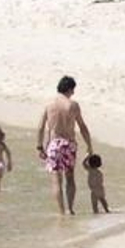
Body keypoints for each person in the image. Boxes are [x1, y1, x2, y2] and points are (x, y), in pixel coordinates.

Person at [36, 76, 94, 215]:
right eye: (73, 90)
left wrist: (39, 147)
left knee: (56, 180)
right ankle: (70, 209)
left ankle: (61, 212)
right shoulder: (72, 105)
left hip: (54, 144)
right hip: (69, 143)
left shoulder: (49, 105)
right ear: (69, 89)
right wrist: (89, 145)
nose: (73, 93)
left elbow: (40, 127)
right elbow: (82, 127)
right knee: (70, 177)